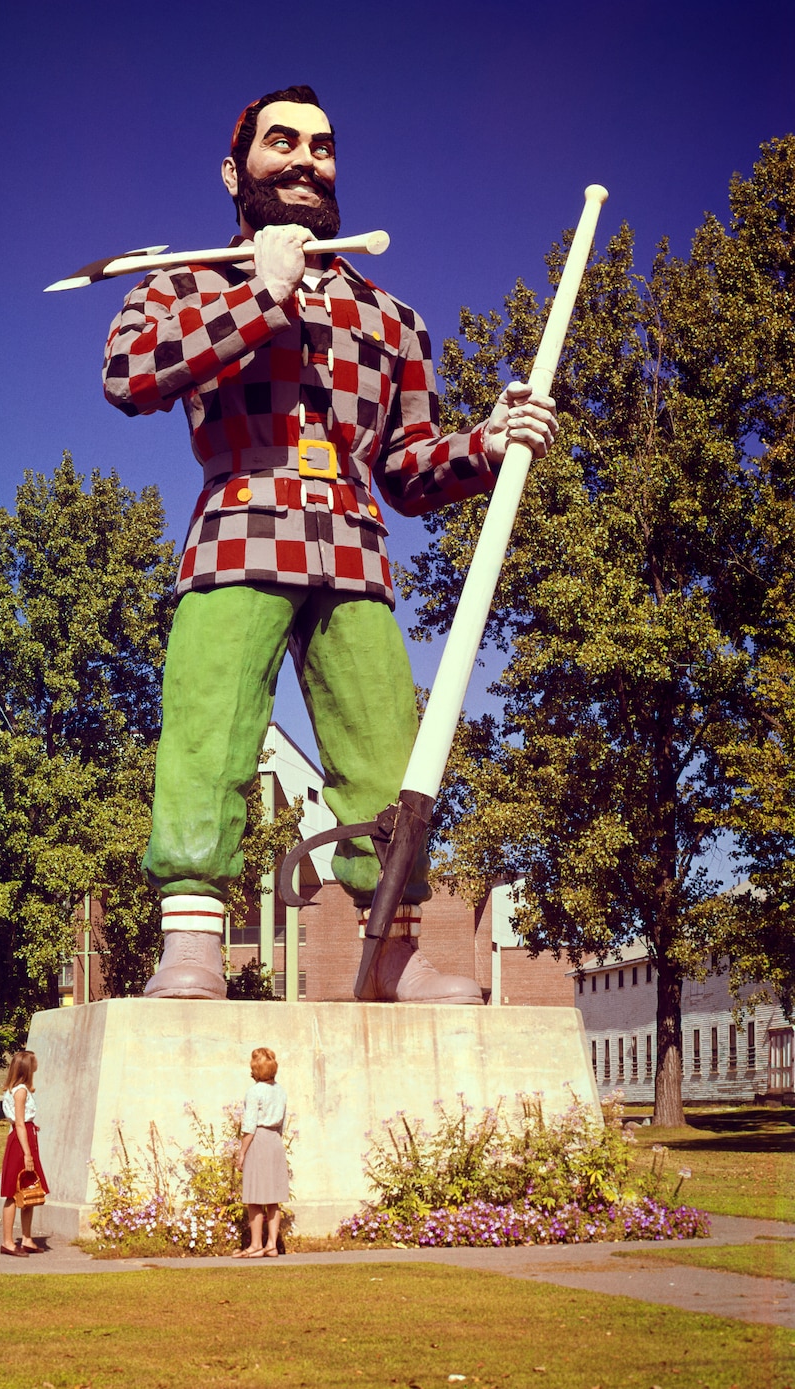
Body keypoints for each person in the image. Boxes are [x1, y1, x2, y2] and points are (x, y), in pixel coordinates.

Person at [103, 84, 558, 1004]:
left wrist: (489, 441)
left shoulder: (392, 317)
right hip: (236, 527)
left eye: (322, 146)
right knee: (207, 731)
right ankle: (190, 942)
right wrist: (262, 294)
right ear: (238, 170)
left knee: (385, 747)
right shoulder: (189, 282)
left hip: (354, 543)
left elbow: (408, 468)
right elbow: (129, 373)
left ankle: (392, 951)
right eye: (283, 143)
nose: (306, 161)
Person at [233, 1046, 289, 1257]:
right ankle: (272, 1245)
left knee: (254, 1196)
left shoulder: (254, 1091)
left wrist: (242, 1153)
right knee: (273, 1197)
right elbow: (283, 1122)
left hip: (258, 1140)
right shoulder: (280, 1090)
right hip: (275, 1140)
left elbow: (249, 1126)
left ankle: (256, 1244)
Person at [0, 1049, 49, 1257]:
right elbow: (20, 1123)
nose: (37, 1065)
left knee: (28, 1188)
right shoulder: (20, 1091)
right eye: (34, 1063)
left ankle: (27, 1238)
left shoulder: (21, 1089)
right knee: (13, 1190)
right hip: (22, 1141)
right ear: (28, 1068)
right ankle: (8, 1242)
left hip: (27, 1138)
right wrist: (27, 1153)